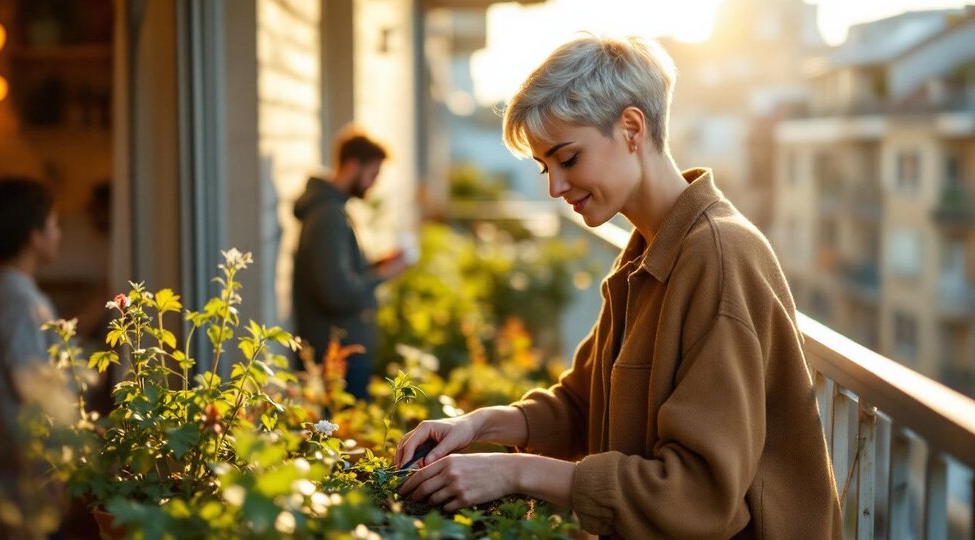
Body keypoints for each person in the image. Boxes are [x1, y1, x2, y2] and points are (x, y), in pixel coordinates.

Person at [394, 36, 842, 539]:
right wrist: (477, 426)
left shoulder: (717, 257)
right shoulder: (648, 251)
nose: (555, 187)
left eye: (568, 159)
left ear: (631, 128)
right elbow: (584, 405)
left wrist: (512, 470)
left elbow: (698, 495)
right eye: (546, 167)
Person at [293, 128, 407, 400]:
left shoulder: (334, 210)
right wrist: (383, 274)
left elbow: (339, 272)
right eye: (373, 174)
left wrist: (378, 263)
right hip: (336, 357)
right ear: (353, 165)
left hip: (341, 354)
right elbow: (337, 293)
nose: (373, 183)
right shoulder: (328, 216)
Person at [0, 178, 65, 492]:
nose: (59, 234)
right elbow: (34, 389)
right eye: (54, 224)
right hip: (23, 477)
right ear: (34, 237)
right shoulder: (21, 302)